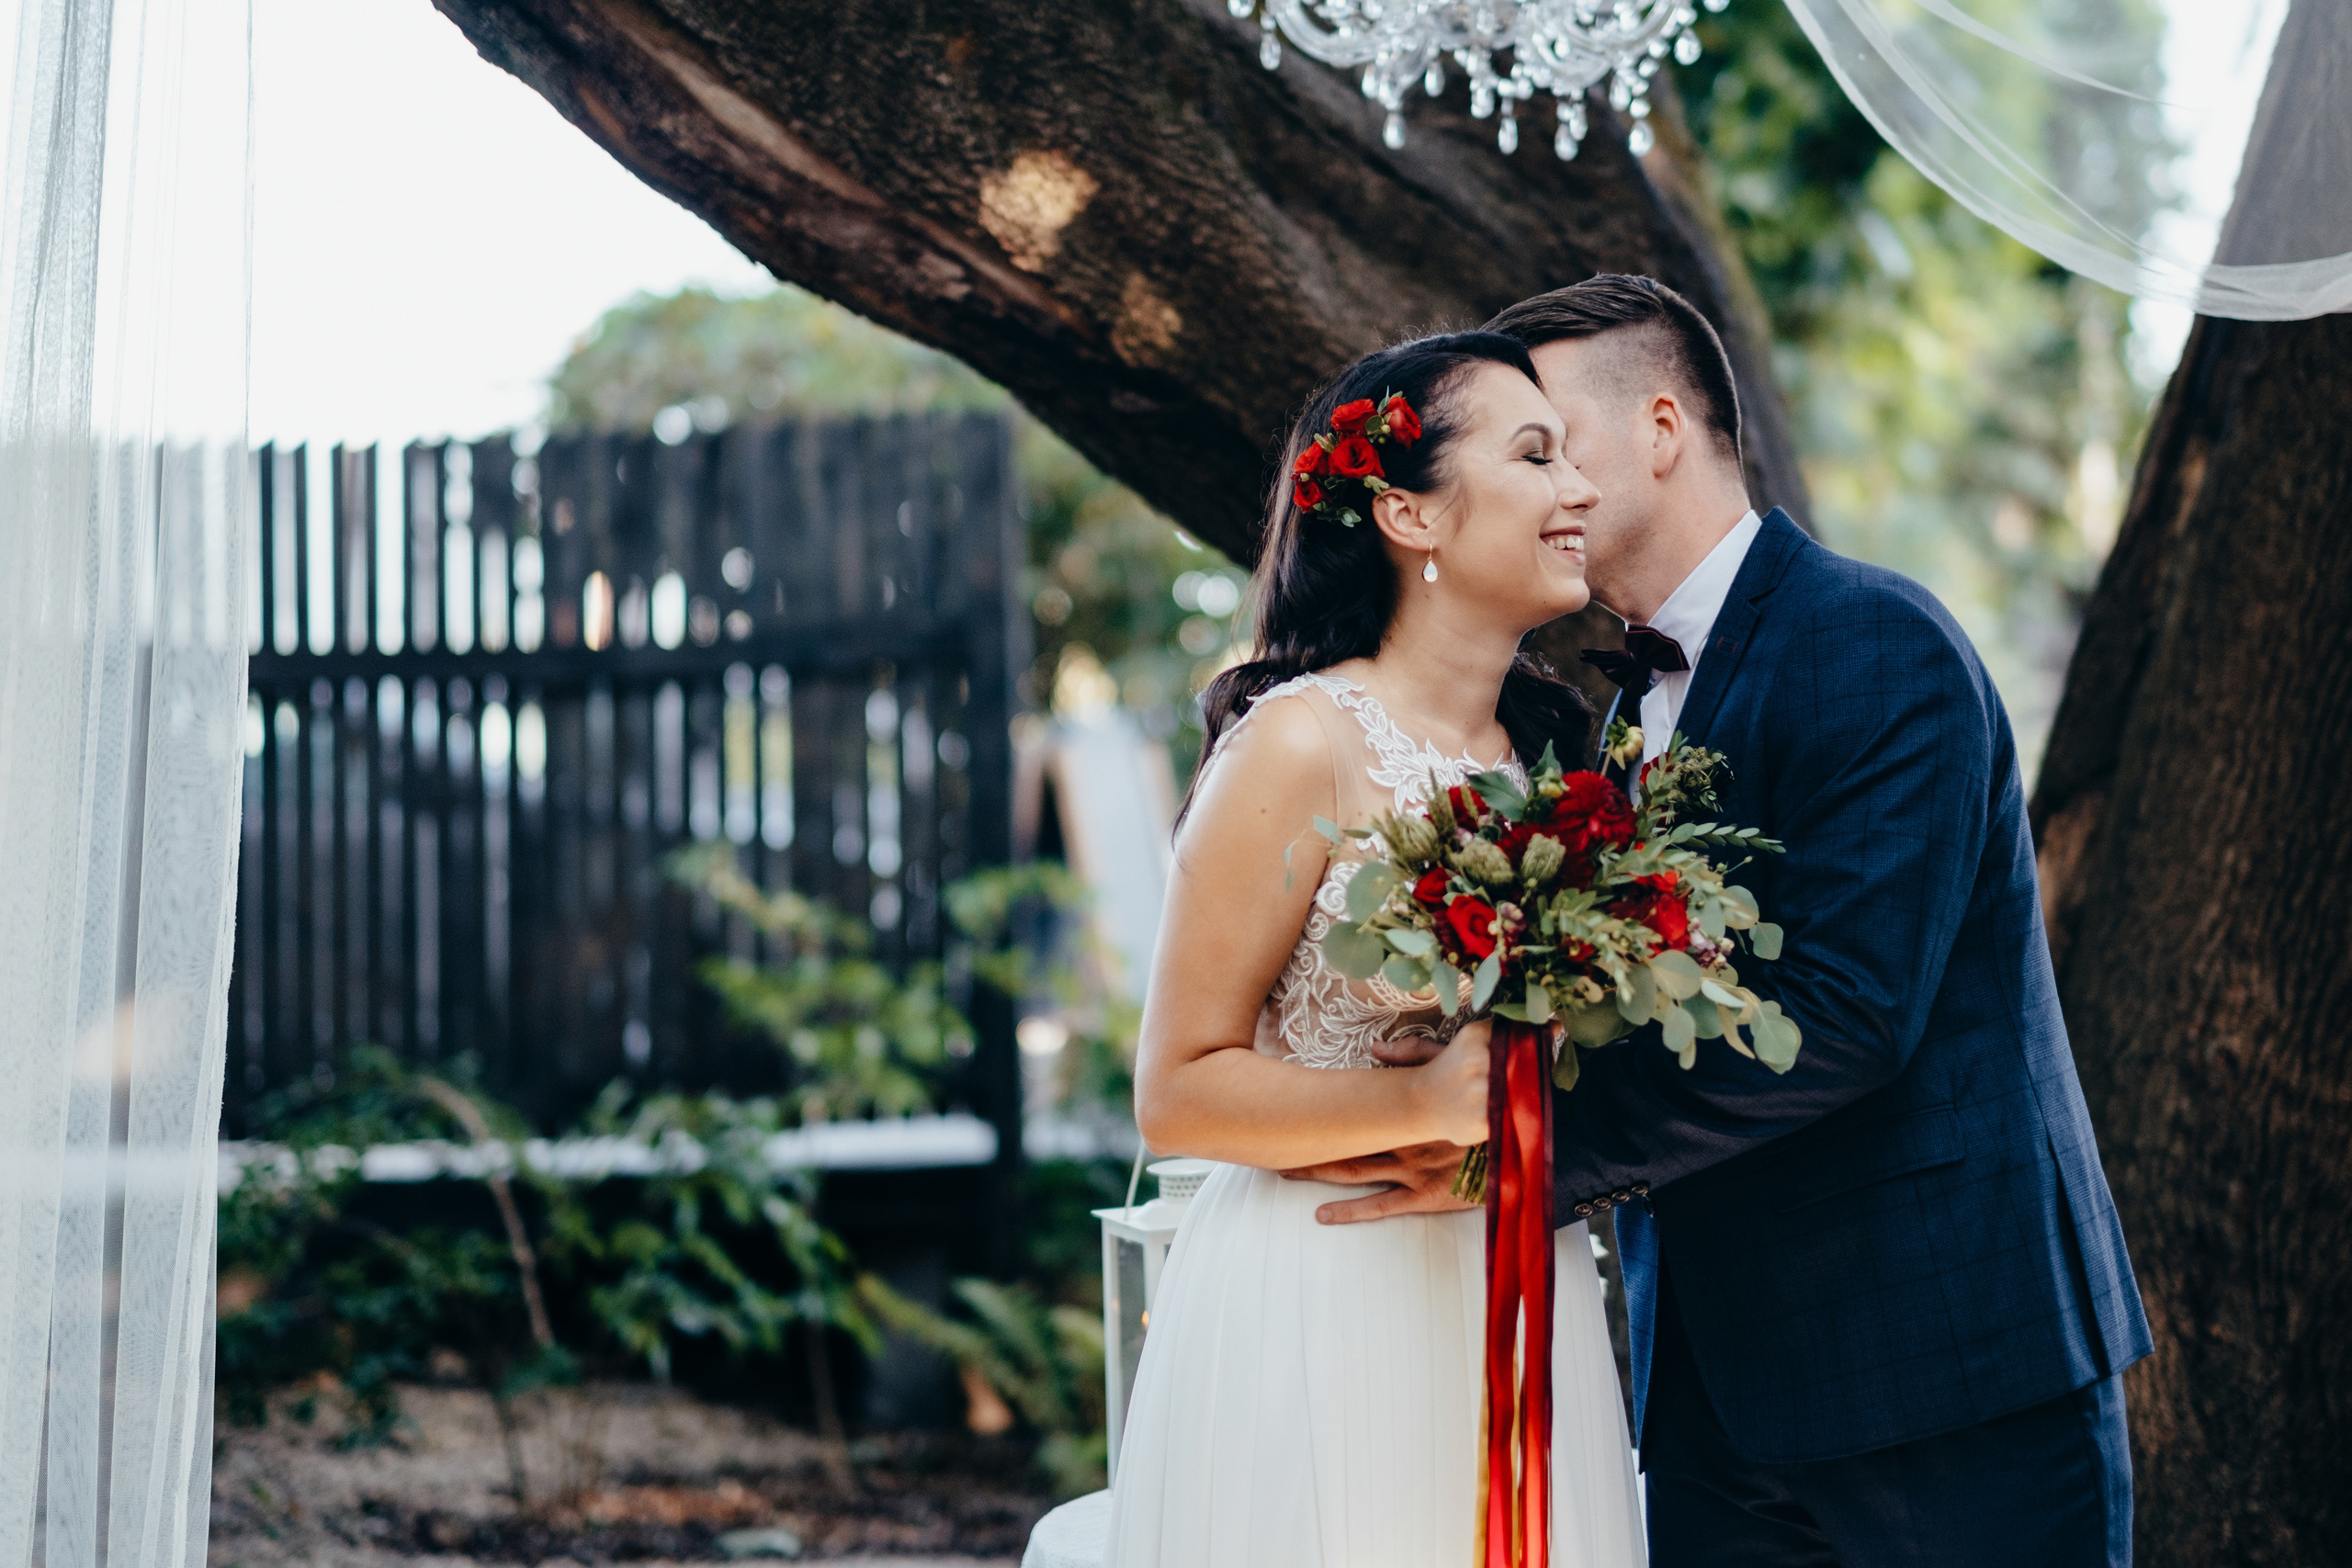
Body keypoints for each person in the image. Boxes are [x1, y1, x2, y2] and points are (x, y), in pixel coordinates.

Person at [1289, 276, 2152, 1567]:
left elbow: (1848, 1014)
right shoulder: (1610, 718)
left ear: (1660, 430)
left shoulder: (1876, 641)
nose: (1546, 485)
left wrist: (1525, 1147)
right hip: (1711, 1391)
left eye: (1555, 442)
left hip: (1947, 1371)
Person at [1101, 331, 1647, 1568]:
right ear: (1409, 513)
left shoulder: (1556, 768)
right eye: (1537, 456)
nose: (1580, 490)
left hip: (1517, 1278)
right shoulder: (1301, 742)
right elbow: (1175, 1089)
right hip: (1323, 1297)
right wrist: (1423, 1100)